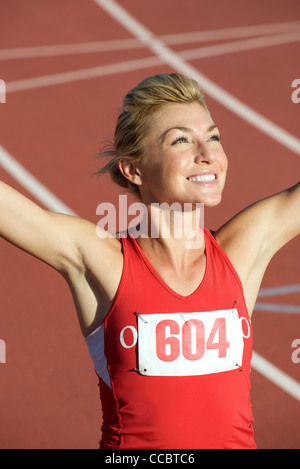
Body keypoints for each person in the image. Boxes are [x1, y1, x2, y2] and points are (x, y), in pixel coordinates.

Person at [0, 73, 299, 449]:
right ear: (133, 169)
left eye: (214, 137)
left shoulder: (240, 251)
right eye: (181, 140)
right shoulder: (105, 262)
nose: (207, 153)